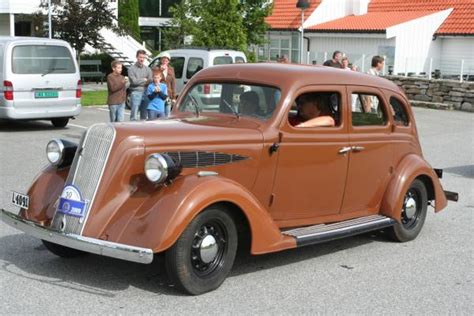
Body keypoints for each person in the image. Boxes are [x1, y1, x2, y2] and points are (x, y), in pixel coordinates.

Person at [128, 49, 152, 121]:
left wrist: (140, 80)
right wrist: (144, 80)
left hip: (146, 92)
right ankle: (133, 130)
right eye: (140, 57)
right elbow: (133, 82)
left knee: (144, 115)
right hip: (136, 92)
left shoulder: (148, 69)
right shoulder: (131, 69)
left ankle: (142, 131)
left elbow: (150, 80)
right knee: (134, 115)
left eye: (143, 57)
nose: (142, 59)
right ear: (136, 57)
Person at [157, 52, 177, 116]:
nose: (165, 61)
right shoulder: (156, 68)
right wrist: (160, 70)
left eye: (166, 60)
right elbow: (155, 79)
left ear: (168, 61)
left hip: (168, 94)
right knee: (160, 114)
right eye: (163, 59)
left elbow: (173, 83)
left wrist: (174, 97)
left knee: (167, 114)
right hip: (159, 94)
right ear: (161, 60)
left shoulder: (171, 69)